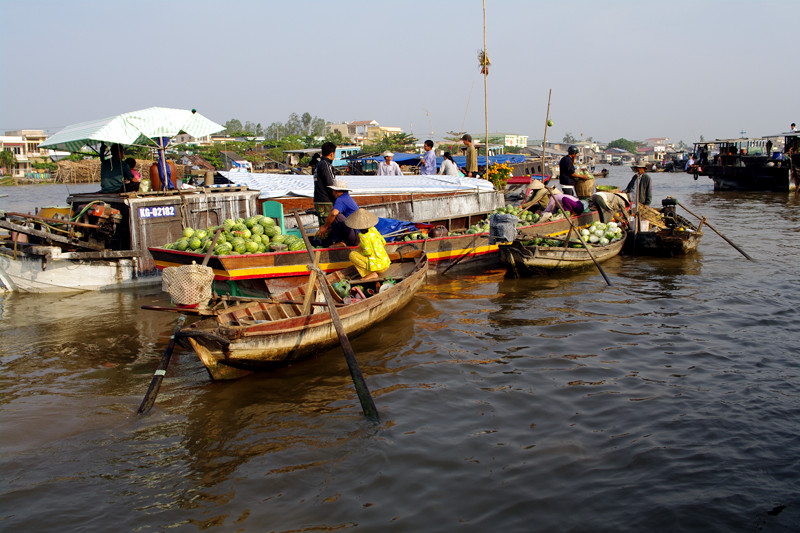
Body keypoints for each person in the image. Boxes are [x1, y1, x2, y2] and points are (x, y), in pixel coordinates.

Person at [346, 208, 390, 281]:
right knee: (360, 248)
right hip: (386, 263)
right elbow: (383, 242)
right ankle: (371, 269)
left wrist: (360, 252)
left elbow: (368, 252)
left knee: (352, 255)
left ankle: (369, 273)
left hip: (379, 267)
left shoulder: (362, 235)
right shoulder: (373, 229)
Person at [315, 179, 359, 247]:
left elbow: (334, 213)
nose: (332, 193)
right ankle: (340, 241)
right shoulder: (347, 198)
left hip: (354, 237)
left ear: (336, 191)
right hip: (355, 235)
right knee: (333, 221)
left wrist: (325, 227)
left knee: (336, 216)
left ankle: (339, 242)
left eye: (333, 191)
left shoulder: (341, 199)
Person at [313, 141, 337, 226]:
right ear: (331, 154)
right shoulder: (326, 165)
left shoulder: (319, 164)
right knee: (328, 227)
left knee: (323, 226)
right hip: (326, 202)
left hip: (319, 200)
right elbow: (331, 185)